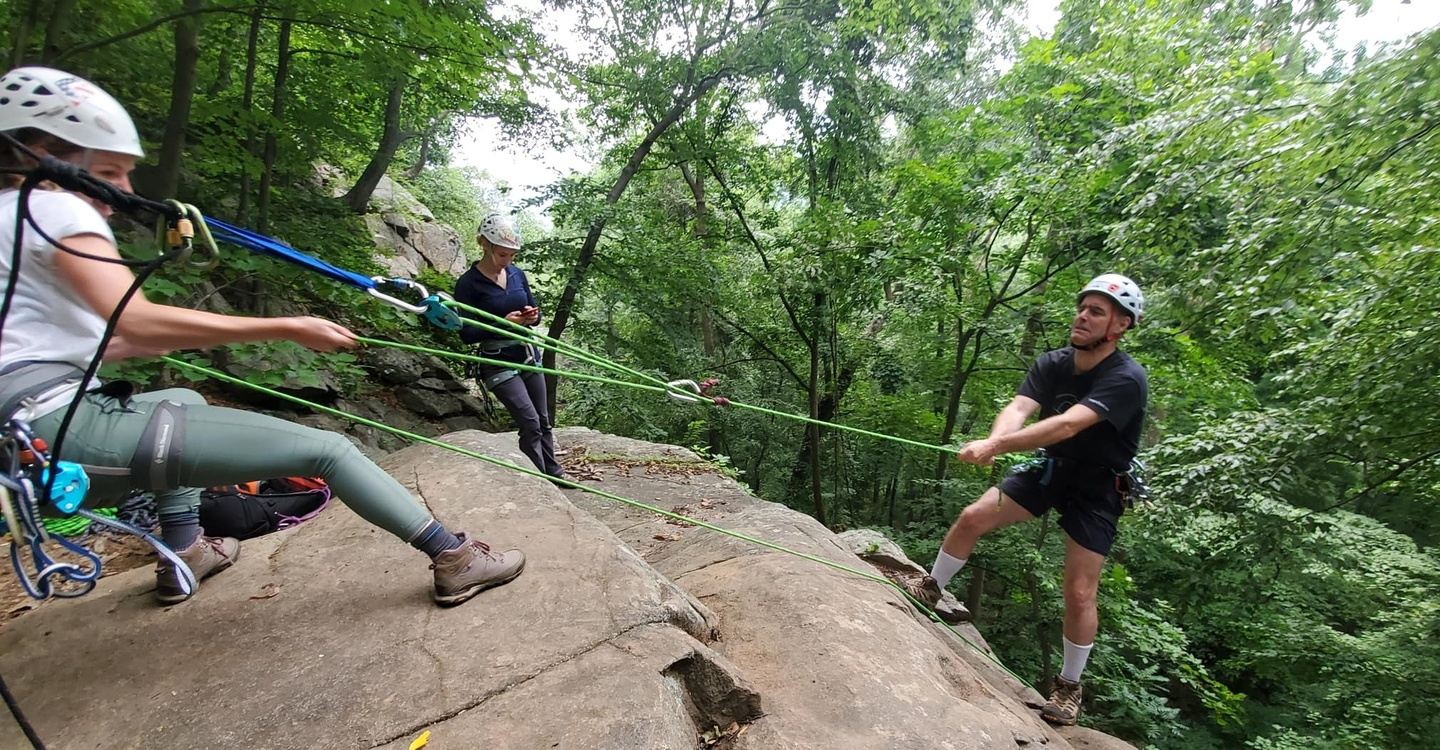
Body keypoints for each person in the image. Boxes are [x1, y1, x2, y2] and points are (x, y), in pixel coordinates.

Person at [0, 66, 525, 607]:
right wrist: (287, 327)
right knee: (329, 451)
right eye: (110, 172)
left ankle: (186, 551)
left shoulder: (9, 216)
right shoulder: (54, 204)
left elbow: (117, 345)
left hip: (28, 440)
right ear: (48, 159)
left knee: (180, 399)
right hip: (60, 427)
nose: (124, 193)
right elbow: (135, 323)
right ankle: (454, 557)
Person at [906, 273, 1148, 726]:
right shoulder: (1054, 362)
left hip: (1098, 487)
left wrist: (995, 448)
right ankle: (932, 589)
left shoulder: (1126, 378)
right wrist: (993, 439)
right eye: (1083, 307)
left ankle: (1070, 687)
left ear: (1120, 326)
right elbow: (1019, 408)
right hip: (1050, 468)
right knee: (972, 516)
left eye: (1097, 311)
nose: (1082, 316)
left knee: (1078, 592)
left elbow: (1069, 424)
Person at [453, 214, 566, 481]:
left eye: (512, 255)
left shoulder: (517, 274)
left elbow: (535, 313)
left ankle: (555, 473)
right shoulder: (468, 284)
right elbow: (466, 333)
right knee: (529, 423)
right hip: (497, 361)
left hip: (527, 355)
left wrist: (531, 316)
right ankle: (537, 478)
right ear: (485, 245)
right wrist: (503, 324)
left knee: (543, 420)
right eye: (503, 255)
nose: (508, 261)